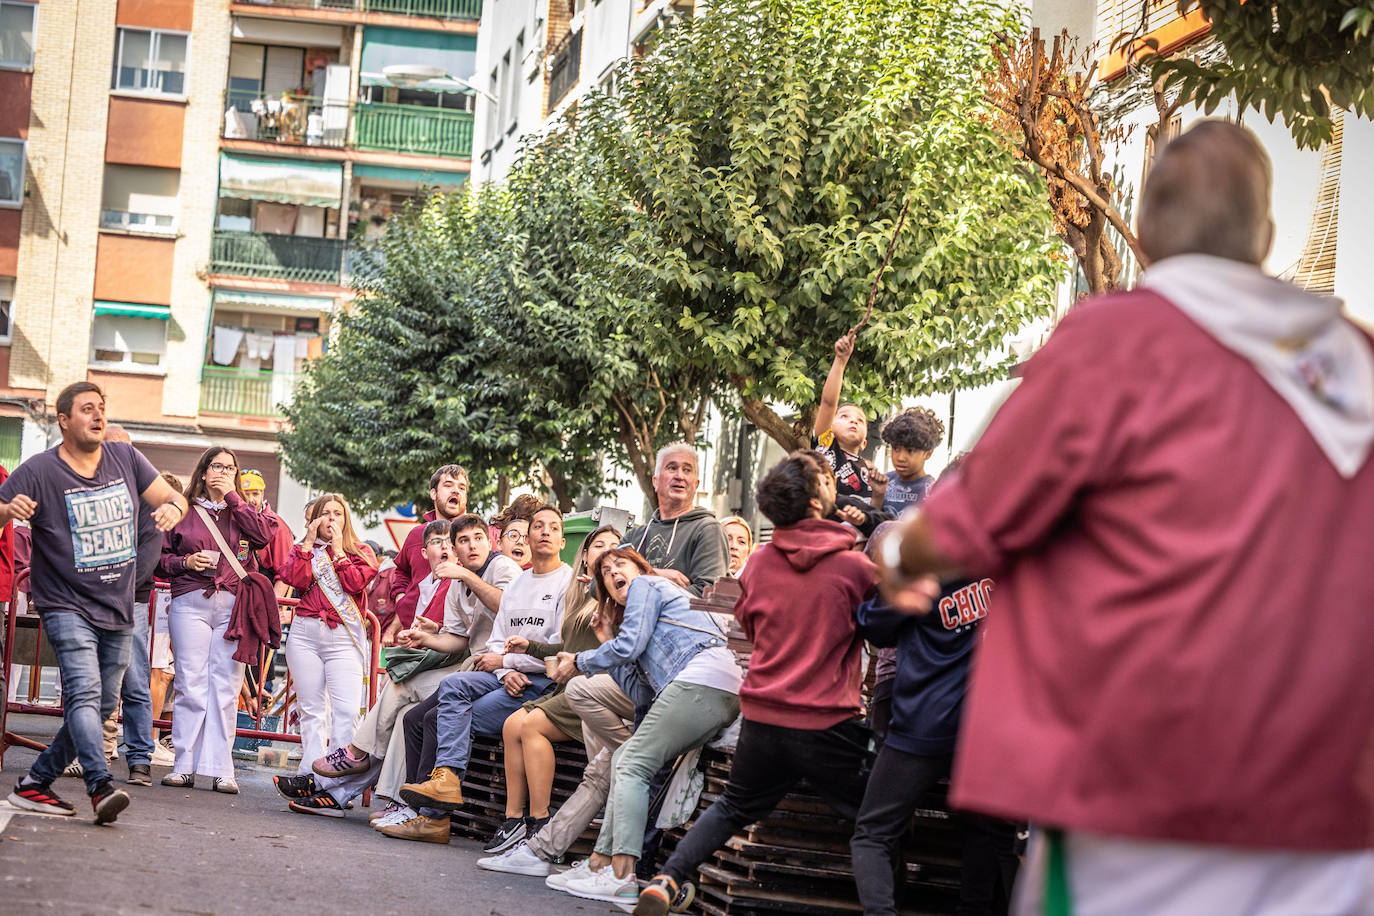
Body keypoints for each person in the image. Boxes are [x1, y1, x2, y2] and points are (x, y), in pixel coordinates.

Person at [879, 121, 1374, 912]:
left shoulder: (1116, 342)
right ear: (1266, 236)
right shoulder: (1355, 359)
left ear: (1141, 235)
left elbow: (967, 521)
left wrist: (899, 553)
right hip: (1331, 818)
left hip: (1142, 803)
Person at [634, 452, 876, 915]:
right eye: (828, 481)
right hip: (827, 720)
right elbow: (879, 623)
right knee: (874, 824)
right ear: (817, 498)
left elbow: (746, 620)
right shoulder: (853, 567)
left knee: (733, 806)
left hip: (764, 716)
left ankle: (668, 878)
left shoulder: (761, 563)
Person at [3, 381, 185, 823]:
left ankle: (34, 784)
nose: (98, 416)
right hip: (65, 604)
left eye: (102, 408)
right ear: (64, 420)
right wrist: (8, 512)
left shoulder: (125, 458)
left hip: (119, 607)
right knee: (84, 693)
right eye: (87, 409)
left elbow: (174, 497)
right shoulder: (40, 471)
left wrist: (172, 510)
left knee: (104, 703)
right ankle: (100, 787)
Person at [280, 514, 521, 819]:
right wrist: (425, 636)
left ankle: (353, 763)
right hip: (468, 666)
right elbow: (458, 639)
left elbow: (508, 605)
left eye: (477, 538)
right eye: (461, 540)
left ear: (491, 541)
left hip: (492, 670)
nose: (470, 545)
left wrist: (464, 577)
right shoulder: (448, 581)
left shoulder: (495, 570)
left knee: (403, 693)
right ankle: (389, 799)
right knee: (405, 713)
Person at [549, 547, 742, 905]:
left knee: (630, 762)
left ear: (640, 567)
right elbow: (641, 694)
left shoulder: (647, 586)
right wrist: (607, 641)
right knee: (629, 760)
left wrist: (579, 660)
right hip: (715, 689)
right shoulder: (640, 624)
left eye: (620, 564)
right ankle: (599, 865)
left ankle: (622, 877)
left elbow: (629, 647)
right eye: (605, 573)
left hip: (702, 680)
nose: (613, 572)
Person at [851, 517, 1019, 916]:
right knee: (996, 833)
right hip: (986, 727)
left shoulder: (925, 565)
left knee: (872, 833)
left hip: (923, 724)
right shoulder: (1006, 561)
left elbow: (874, 624)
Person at [385, 505, 572, 844]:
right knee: (449, 688)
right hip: (502, 672)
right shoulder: (518, 584)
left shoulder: (561, 580)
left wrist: (507, 665)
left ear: (562, 538)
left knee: (441, 717)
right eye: (538, 527)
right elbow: (493, 642)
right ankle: (442, 786)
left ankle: (435, 814)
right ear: (528, 537)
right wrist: (430, 637)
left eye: (553, 527)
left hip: (539, 680)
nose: (544, 532)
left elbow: (559, 647)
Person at [483, 524, 622, 854]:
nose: (605, 550)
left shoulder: (618, 595)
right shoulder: (582, 596)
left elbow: (614, 650)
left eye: (614, 546)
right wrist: (530, 646)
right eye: (597, 545)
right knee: (510, 725)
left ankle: (538, 821)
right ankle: (514, 818)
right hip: (569, 686)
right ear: (585, 555)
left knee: (530, 726)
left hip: (593, 689)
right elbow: (567, 646)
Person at [157, 446, 279, 794]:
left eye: (229, 467)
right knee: (190, 684)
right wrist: (185, 563)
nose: (222, 471)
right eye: (216, 466)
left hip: (233, 606)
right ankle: (184, 764)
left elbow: (262, 538)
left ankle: (222, 768)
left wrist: (233, 498)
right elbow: (159, 559)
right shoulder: (183, 509)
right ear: (203, 470)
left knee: (226, 688)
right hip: (190, 602)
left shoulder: (243, 511)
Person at [279, 494, 378, 779]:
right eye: (326, 513)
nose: (331, 518)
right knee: (311, 709)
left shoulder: (361, 552)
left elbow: (355, 582)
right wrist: (308, 545)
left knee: (345, 711)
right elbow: (294, 579)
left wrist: (337, 551)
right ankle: (309, 772)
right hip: (305, 635)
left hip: (343, 638)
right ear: (315, 519)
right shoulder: (302, 550)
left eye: (338, 513)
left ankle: (337, 779)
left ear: (346, 520)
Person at [94, 424, 163, 787]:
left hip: (128, 603)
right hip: (90, 601)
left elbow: (147, 559)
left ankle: (139, 759)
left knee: (135, 683)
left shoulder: (149, 501)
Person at [620, 443, 728, 597]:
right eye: (672, 468)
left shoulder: (708, 530)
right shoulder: (634, 537)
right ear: (655, 481)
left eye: (687, 470)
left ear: (696, 484)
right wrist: (652, 573)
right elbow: (598, 584)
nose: (680, 476)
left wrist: (631, 582)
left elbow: (708, 595)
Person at [384, 464, 469, 645]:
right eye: (448, 485)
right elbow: (401, 572)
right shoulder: (416, 534)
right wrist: (402, 600)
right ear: (433, 493)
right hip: (412, 638)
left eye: (462, 487)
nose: (456, 490)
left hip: (455, 640)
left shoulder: (475, 536)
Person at [873, 407, 943, 517]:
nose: (900, 458)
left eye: (910, 450)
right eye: (896, 448)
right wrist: (877, 496)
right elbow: (871, 523)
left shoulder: (932, 491)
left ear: (928, 453)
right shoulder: (884, 482)